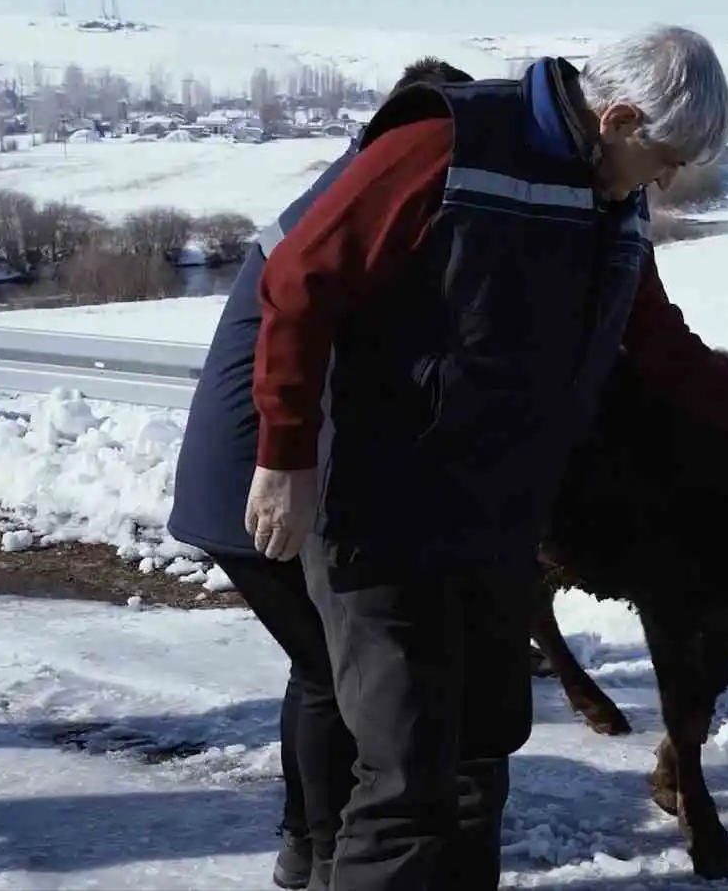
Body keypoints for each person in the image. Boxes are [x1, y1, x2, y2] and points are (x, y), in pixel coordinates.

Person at [241, 25, 728, 891]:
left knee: (483, 753)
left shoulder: (614, 202)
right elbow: (300, 280)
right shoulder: (449, 145)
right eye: (664, 157)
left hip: (498, 520)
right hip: (384, 509)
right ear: (622, 118)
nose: (668, 180)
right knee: (408, 778)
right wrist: (285, 455)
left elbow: (660, 345)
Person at [168, 57, 476, 891]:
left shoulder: (348, 179)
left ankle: (309, 849)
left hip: (239, 463)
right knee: (335, 676)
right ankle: (326, 855)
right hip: (258, 470)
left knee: (320, 668)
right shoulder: (370, 195)